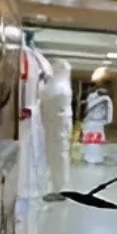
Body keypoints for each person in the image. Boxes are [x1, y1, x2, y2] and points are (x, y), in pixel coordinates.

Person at [38, 58, 73, 196]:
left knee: (57, 159)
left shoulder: (58, 86)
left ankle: (59, 189)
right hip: (59, 129)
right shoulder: (63, 86)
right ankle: (58, 187)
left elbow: (43, 96)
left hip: (56, 130)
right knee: (59, 158)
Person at [82, 69, 114, 165]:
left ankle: (98, 157)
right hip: (90, 122)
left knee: (98, 143)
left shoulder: (107, 99)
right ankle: (89, 157)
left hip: (99, 123)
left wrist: (107, 120)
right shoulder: (92, 96)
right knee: (91, 143)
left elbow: (109, 109)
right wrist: (102, 99)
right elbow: (89, 106)